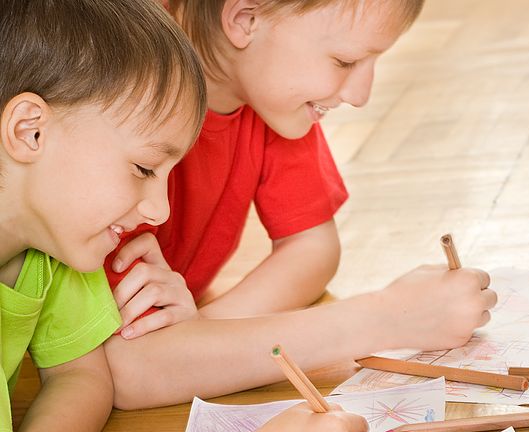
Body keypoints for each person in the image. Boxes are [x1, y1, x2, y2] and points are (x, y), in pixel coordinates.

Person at [0, 0, 380, 432]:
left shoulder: (53, 245)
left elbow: (83, 378)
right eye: (143, 169)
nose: (160, 210)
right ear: (30, 131)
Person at [101, 0, 498, 410]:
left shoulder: (266, 89)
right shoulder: (112, 95)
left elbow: (312, 247)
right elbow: (128, 369)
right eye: (345, 61)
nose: (361, 95)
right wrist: (386, 318)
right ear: (245, 19)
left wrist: (202, 330)